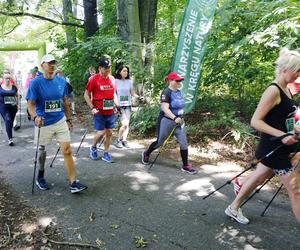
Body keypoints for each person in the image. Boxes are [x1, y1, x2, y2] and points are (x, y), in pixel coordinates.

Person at [225, 48, 300, 224]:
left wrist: (294, 130)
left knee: (260, 177)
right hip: (273, 147)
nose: (298, 75)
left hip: (284, 145)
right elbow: (255, 121)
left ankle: (233, 207)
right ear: (285, 69)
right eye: (297, 70)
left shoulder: (287, 89)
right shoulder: (273, 90)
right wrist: (282, 135)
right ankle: (234, 205)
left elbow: (283, 118)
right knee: (295, 189)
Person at [26, 54, 87, 193]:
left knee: (67, 149)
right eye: (49, 63)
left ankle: (73, 182)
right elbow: (30, 104)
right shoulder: (36, 83)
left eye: (54, 62)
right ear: (43, 66)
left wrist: (69, 119)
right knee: (41, 151)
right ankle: (40, 175)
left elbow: (65, 101)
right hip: (43, 121)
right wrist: (35, 117)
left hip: (59, 120)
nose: (52, 65)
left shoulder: (61, 81)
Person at [141, 72, 197, 174]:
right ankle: (146, 153)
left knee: (183, 142)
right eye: (177, 80)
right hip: (167, 121)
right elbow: (165, 108)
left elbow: (180, 106)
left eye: (180, 80)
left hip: (179, 122)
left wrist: (180, 116)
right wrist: (174, 117)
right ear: (171, 81)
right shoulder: (166, 92)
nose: (180, 82)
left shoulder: (179, 92)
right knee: (160, 142)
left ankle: (185, 165)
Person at [84, 57, 118, 163]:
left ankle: (106, 153)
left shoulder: (112, 79)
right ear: (100, 68)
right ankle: (93, 147)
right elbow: (86, 94)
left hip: (110, 111)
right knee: (102, 131)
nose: (108, 69)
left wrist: (118, 105)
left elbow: (114, 94)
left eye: (109, 67)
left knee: (109, 133)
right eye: (106, 67)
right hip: (98, 111)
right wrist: (92, 107)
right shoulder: (94, 79)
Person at [114, 64, 143, 148]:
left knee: (127, 124)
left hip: (128, 105)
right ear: (119, 72)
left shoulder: (129, 81)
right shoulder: (115, 81)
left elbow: (132, 92)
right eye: (124, 71)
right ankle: (118, 140)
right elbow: (114, 93)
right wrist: (116, 104)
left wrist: (138, 97)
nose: (126, 72)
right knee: (124, 124)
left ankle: (124, 140)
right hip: (120, 105)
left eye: (127, 71)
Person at [0, 69, 19, 146]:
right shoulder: (0, 87)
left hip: (13, 107)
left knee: (10, 122)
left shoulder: (14, 87)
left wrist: (18, 105)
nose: (7, 79)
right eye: (6, 78)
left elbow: (17, 95)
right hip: (3, 107)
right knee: (7, 120)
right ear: (3, 79)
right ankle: (10, 139)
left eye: (9, 78)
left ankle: (9, 131)